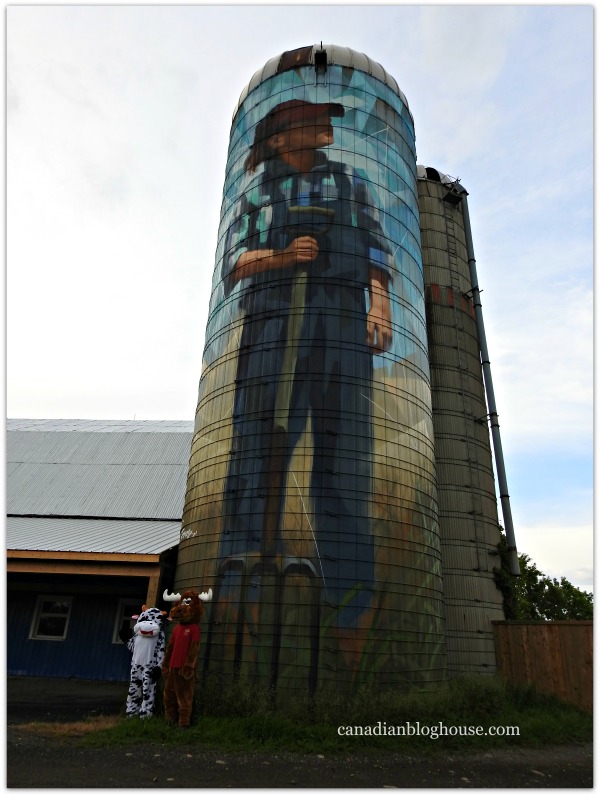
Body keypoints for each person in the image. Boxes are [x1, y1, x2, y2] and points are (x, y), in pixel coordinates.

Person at [215, 99, 394, 637]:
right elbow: (234, 263)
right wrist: (283, 257)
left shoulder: (350, 182)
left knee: (344, 460)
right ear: (278, 138)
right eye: (311, 120)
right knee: (258, 453)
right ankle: (241, 588)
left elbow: (375, 251)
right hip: (272, 326)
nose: (326, 126)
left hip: (341, 327)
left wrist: (379, 305)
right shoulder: (257, 191)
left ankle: (351, 610)